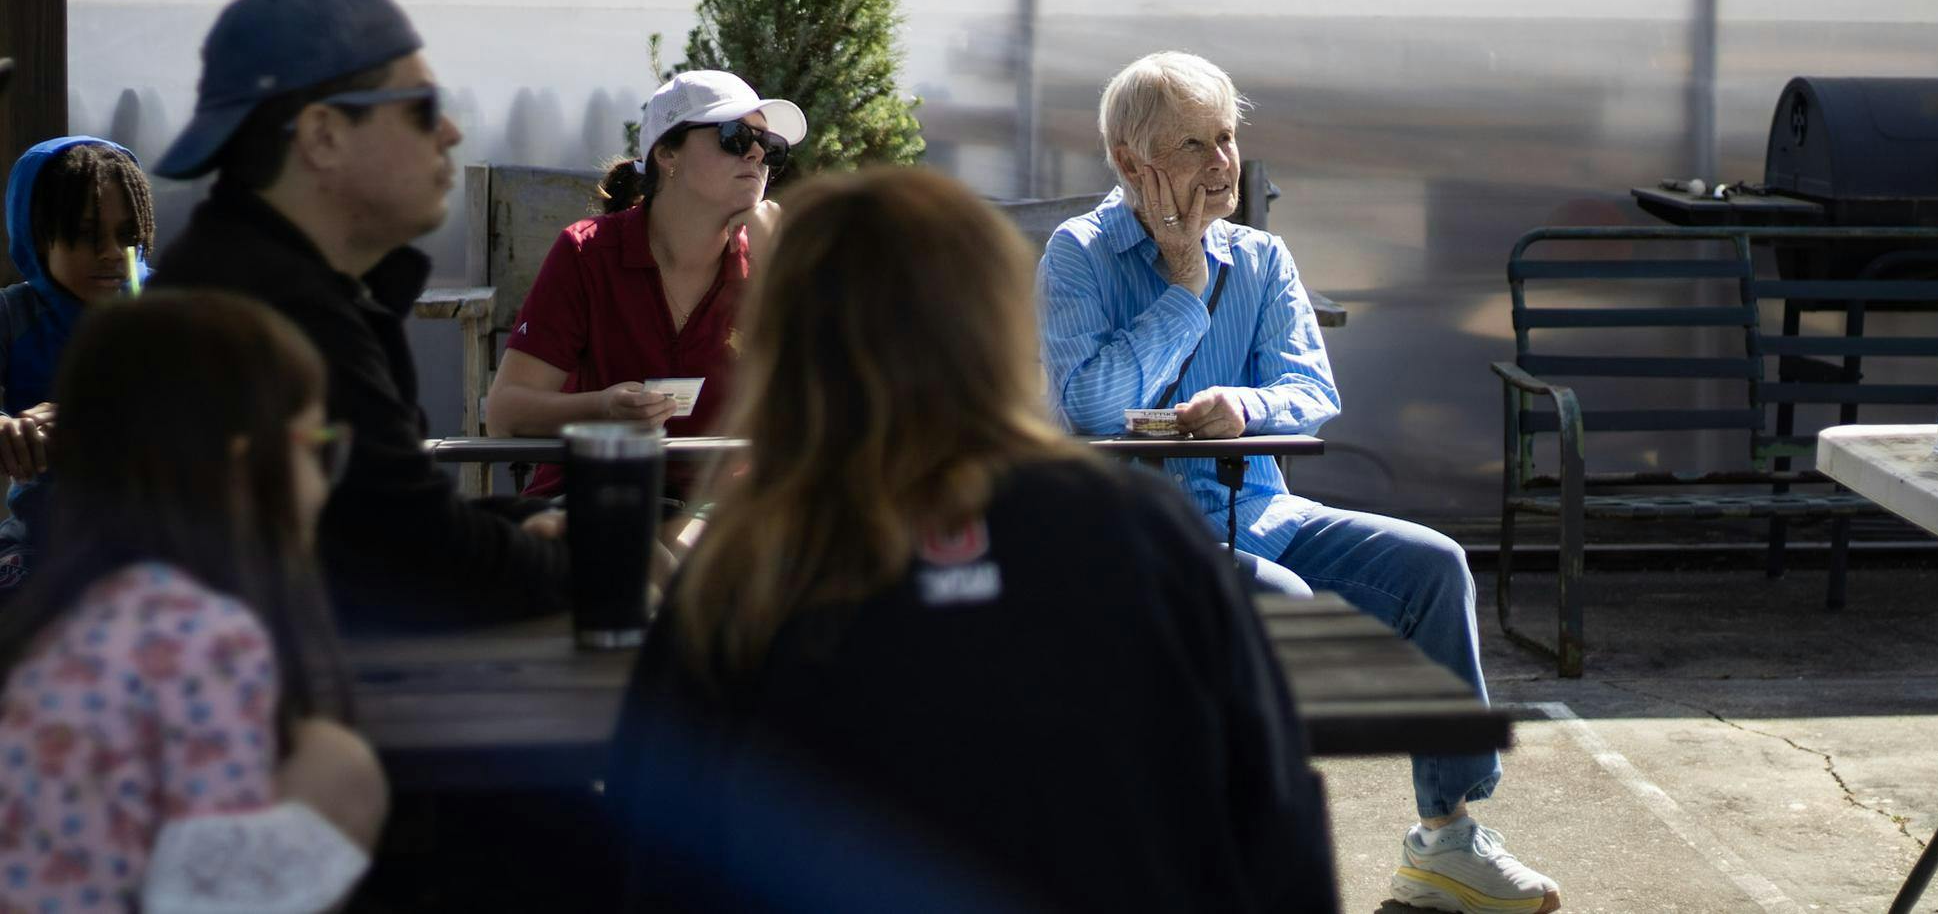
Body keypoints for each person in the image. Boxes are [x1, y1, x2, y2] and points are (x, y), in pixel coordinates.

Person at [611, 166, 1335, 913]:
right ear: (995, 325)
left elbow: (651, 866)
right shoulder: (1141, 533)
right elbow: (1278, 835)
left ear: (775, 343)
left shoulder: (742, 576)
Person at [1037, 52, 1560, 914]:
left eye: (1229, 138)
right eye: (1194, 145)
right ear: (1132, 163)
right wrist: (1183, 290)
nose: (1222, 164)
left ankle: (1447, 841)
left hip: (1262, 507)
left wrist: (1244, 404)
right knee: (1278, 599)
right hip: (1137, 535)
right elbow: (1088, 409)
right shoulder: (1081, 255)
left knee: (1434, 565)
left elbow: (1312, 390)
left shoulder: (1265, 256)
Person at [148, 0, 570, 628]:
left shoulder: (255, 279)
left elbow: (379, 517)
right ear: (322, 136)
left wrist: (543, 524)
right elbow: (417, 558)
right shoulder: (275, 316)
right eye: (423, 108)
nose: (453, 131)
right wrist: (595, 553)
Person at [0, 291, 385, 912]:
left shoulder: (74, 612)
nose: (324, 474)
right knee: (339, 769)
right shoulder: (207, 635)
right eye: (317, 443)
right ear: (243, 468)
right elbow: (215, 898)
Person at [484, 70, 802, 498]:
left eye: (770, 147)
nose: (756, 156)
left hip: (716, 511)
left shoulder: (768, 260)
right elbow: (506, 413)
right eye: (735, 137)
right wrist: (604, 408)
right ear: (667, 154)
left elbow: (824, 408)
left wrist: (777, 265)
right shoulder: (589, 252)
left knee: (676, 553)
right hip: (594, 494)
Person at [0, 138, 155, 593]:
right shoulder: (12, 315)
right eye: (88, 235)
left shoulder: (171, 314)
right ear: (36, 232)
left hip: (162, 544)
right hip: (41, 541)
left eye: (127, 236)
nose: (111, 252)